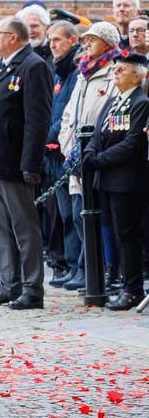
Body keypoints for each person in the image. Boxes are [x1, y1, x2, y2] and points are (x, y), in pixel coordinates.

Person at [0, 16, 53, 309]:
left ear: (13, 37)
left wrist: (30, 163)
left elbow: (37, 119)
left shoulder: (32, 66)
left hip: (13, 161)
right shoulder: (3, 66)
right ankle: (9, 284)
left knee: (24, 228)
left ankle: (32, 288)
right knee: (2, 227)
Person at [83, 51, 149, 310]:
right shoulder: (113, 101)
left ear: (137, 76)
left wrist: (98, 160)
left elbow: (132, 143)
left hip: (126, 180)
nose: (115, 73)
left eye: (122, 69)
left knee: (128, 234)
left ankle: (132, 288)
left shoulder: (140, 102)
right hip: (108, 179)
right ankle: (124, 282)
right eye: (115, 69)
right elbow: (97, 133)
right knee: (117, 234)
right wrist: (90, 152)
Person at [58, 22, 120, 292]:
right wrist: (67, 144)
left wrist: (93, 148)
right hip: (76, 156)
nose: (86, 44)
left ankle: (101, 270)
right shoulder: (82, 73)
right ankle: (85, 269)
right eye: (84, 40)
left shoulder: (113, 72)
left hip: (98, 155)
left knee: (100, 217)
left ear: (106, 42)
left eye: (92, 39)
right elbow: (69, 115)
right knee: (77, 214)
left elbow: (111, 115)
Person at [45, 21, 82, 289]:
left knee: (75, 213)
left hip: (67, 151)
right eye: (50, 40)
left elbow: (69, 113)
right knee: (65, 214)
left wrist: (48, 135)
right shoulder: (57, 71)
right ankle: (71, 265)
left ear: (72, 40)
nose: (52, 45)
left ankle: (82, 267)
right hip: (54, 155)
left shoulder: (75, 70)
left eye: (57, 39)